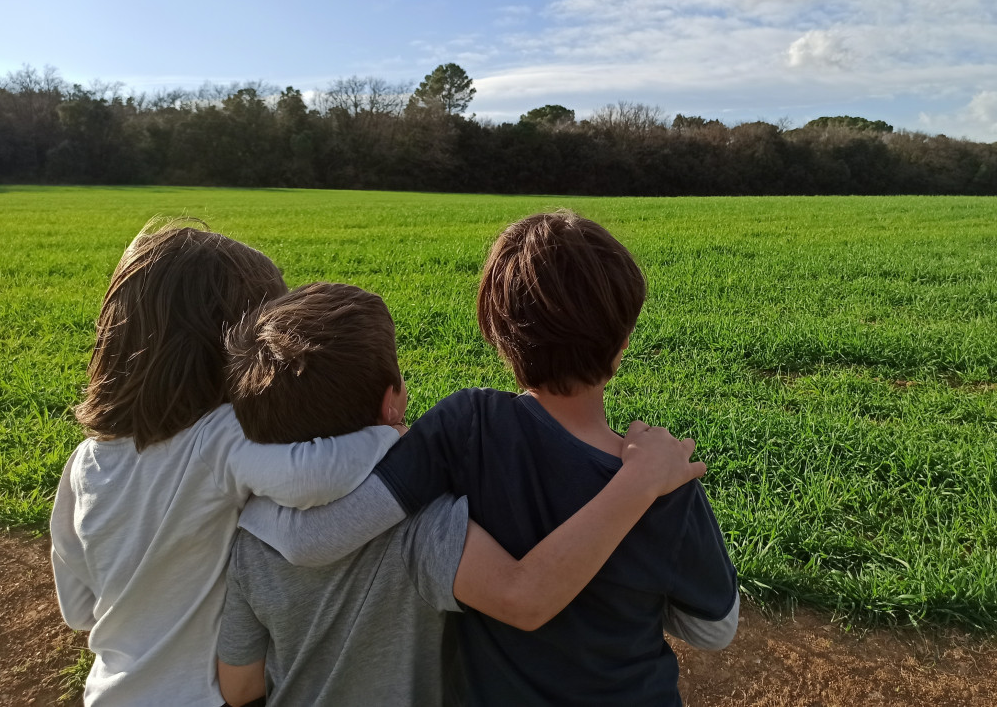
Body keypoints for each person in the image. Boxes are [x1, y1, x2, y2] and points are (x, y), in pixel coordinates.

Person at [241, 211, 738, 706]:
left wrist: (259, 513)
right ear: (623, 345)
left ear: (497, 335)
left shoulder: (465, 428)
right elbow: (714, 631)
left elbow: (339, 527)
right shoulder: (666, 482)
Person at [49, 220, 404, 707]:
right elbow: (312, 475)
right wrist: (390, 435)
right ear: (230, 349)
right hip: (203, 696)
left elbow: (78, 608)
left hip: (112, 691)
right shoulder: (216, 438)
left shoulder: (84, 462)